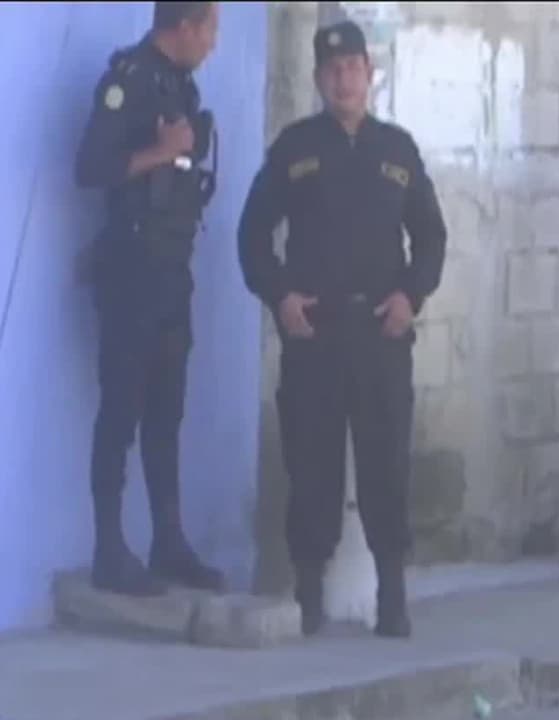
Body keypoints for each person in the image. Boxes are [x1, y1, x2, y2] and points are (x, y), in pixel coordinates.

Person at [237, 20, 448, 638]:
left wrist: (411, 295)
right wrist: (280, 297)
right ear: (317, 79)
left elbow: (431, 237)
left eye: (353, 67)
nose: (343, 79)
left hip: (380, 334)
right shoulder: (295, 148)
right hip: (316, 335)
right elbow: (252, 235)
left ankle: (393, 599)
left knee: (387, 464)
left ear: (369, 74)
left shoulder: (397, 150)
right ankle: (309, 596)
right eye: (332, 70)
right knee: (312, 465)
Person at [74, 1, 222, 597]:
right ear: (184, 27)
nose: (212, 42)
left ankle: (168, 542)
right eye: (209, 29)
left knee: (167, 412)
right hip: (131, 270)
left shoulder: (179, 85)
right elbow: (90, 166)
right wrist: (160, 152)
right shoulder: (128, 81)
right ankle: (109, 550)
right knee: (121, 410)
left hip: (170, 268)